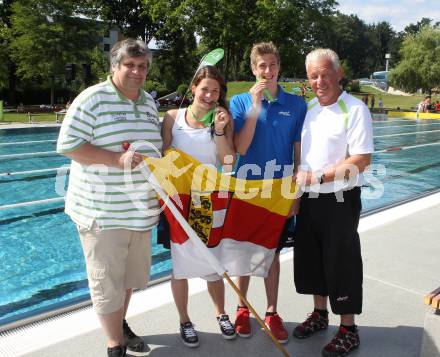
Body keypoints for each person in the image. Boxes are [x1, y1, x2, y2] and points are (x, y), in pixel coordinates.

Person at [57, 39, 162, 357]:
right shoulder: (92, 99)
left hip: (139, 211)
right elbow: (68, 144)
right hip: (101, 212)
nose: (136, 71)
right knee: (106, 283)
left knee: (127, 279)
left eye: (142, 66)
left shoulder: (148, 103)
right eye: (129, 65)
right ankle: (114, 345)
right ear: (115, 66)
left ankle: (121, 325)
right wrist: (115, 160)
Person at [292, 48, 373, 357]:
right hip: (310, 198)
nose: (319, 80)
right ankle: (319, 314)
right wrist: (299, 194)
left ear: (339, 74)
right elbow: (304, 158)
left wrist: (320, 178)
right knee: (313, 259)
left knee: (341, 263)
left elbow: (361, 159)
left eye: (325, 74)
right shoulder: (311, 108)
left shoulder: (354, 109)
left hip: (340, 199)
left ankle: (348, 329)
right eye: (313, 75)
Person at [229, 41, 306, 344]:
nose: (268, 71)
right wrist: (255, 107)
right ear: (253, 69)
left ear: (279, 67)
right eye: (262, 65)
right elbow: (241, 148)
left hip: (279, 191)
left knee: (272, 254)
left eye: (272, 65)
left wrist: (297, 194)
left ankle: (272, 312)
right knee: (244, 251)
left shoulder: (296, 105)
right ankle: (241, 308)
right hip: (247, 187)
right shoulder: (239, 102)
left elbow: (298, 153)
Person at [160, 65, 237, 347]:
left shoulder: (222, 120)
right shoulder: (172, 117)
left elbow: (228, 161)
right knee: (180, 265)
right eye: (205, 88)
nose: (209, 94)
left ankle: (221, 314)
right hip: (179, 201)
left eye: (215, 91)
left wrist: (218, 131)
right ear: (193, 88)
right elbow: (163, 152)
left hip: (209, 201)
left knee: (213, 265)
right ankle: (184, 320)